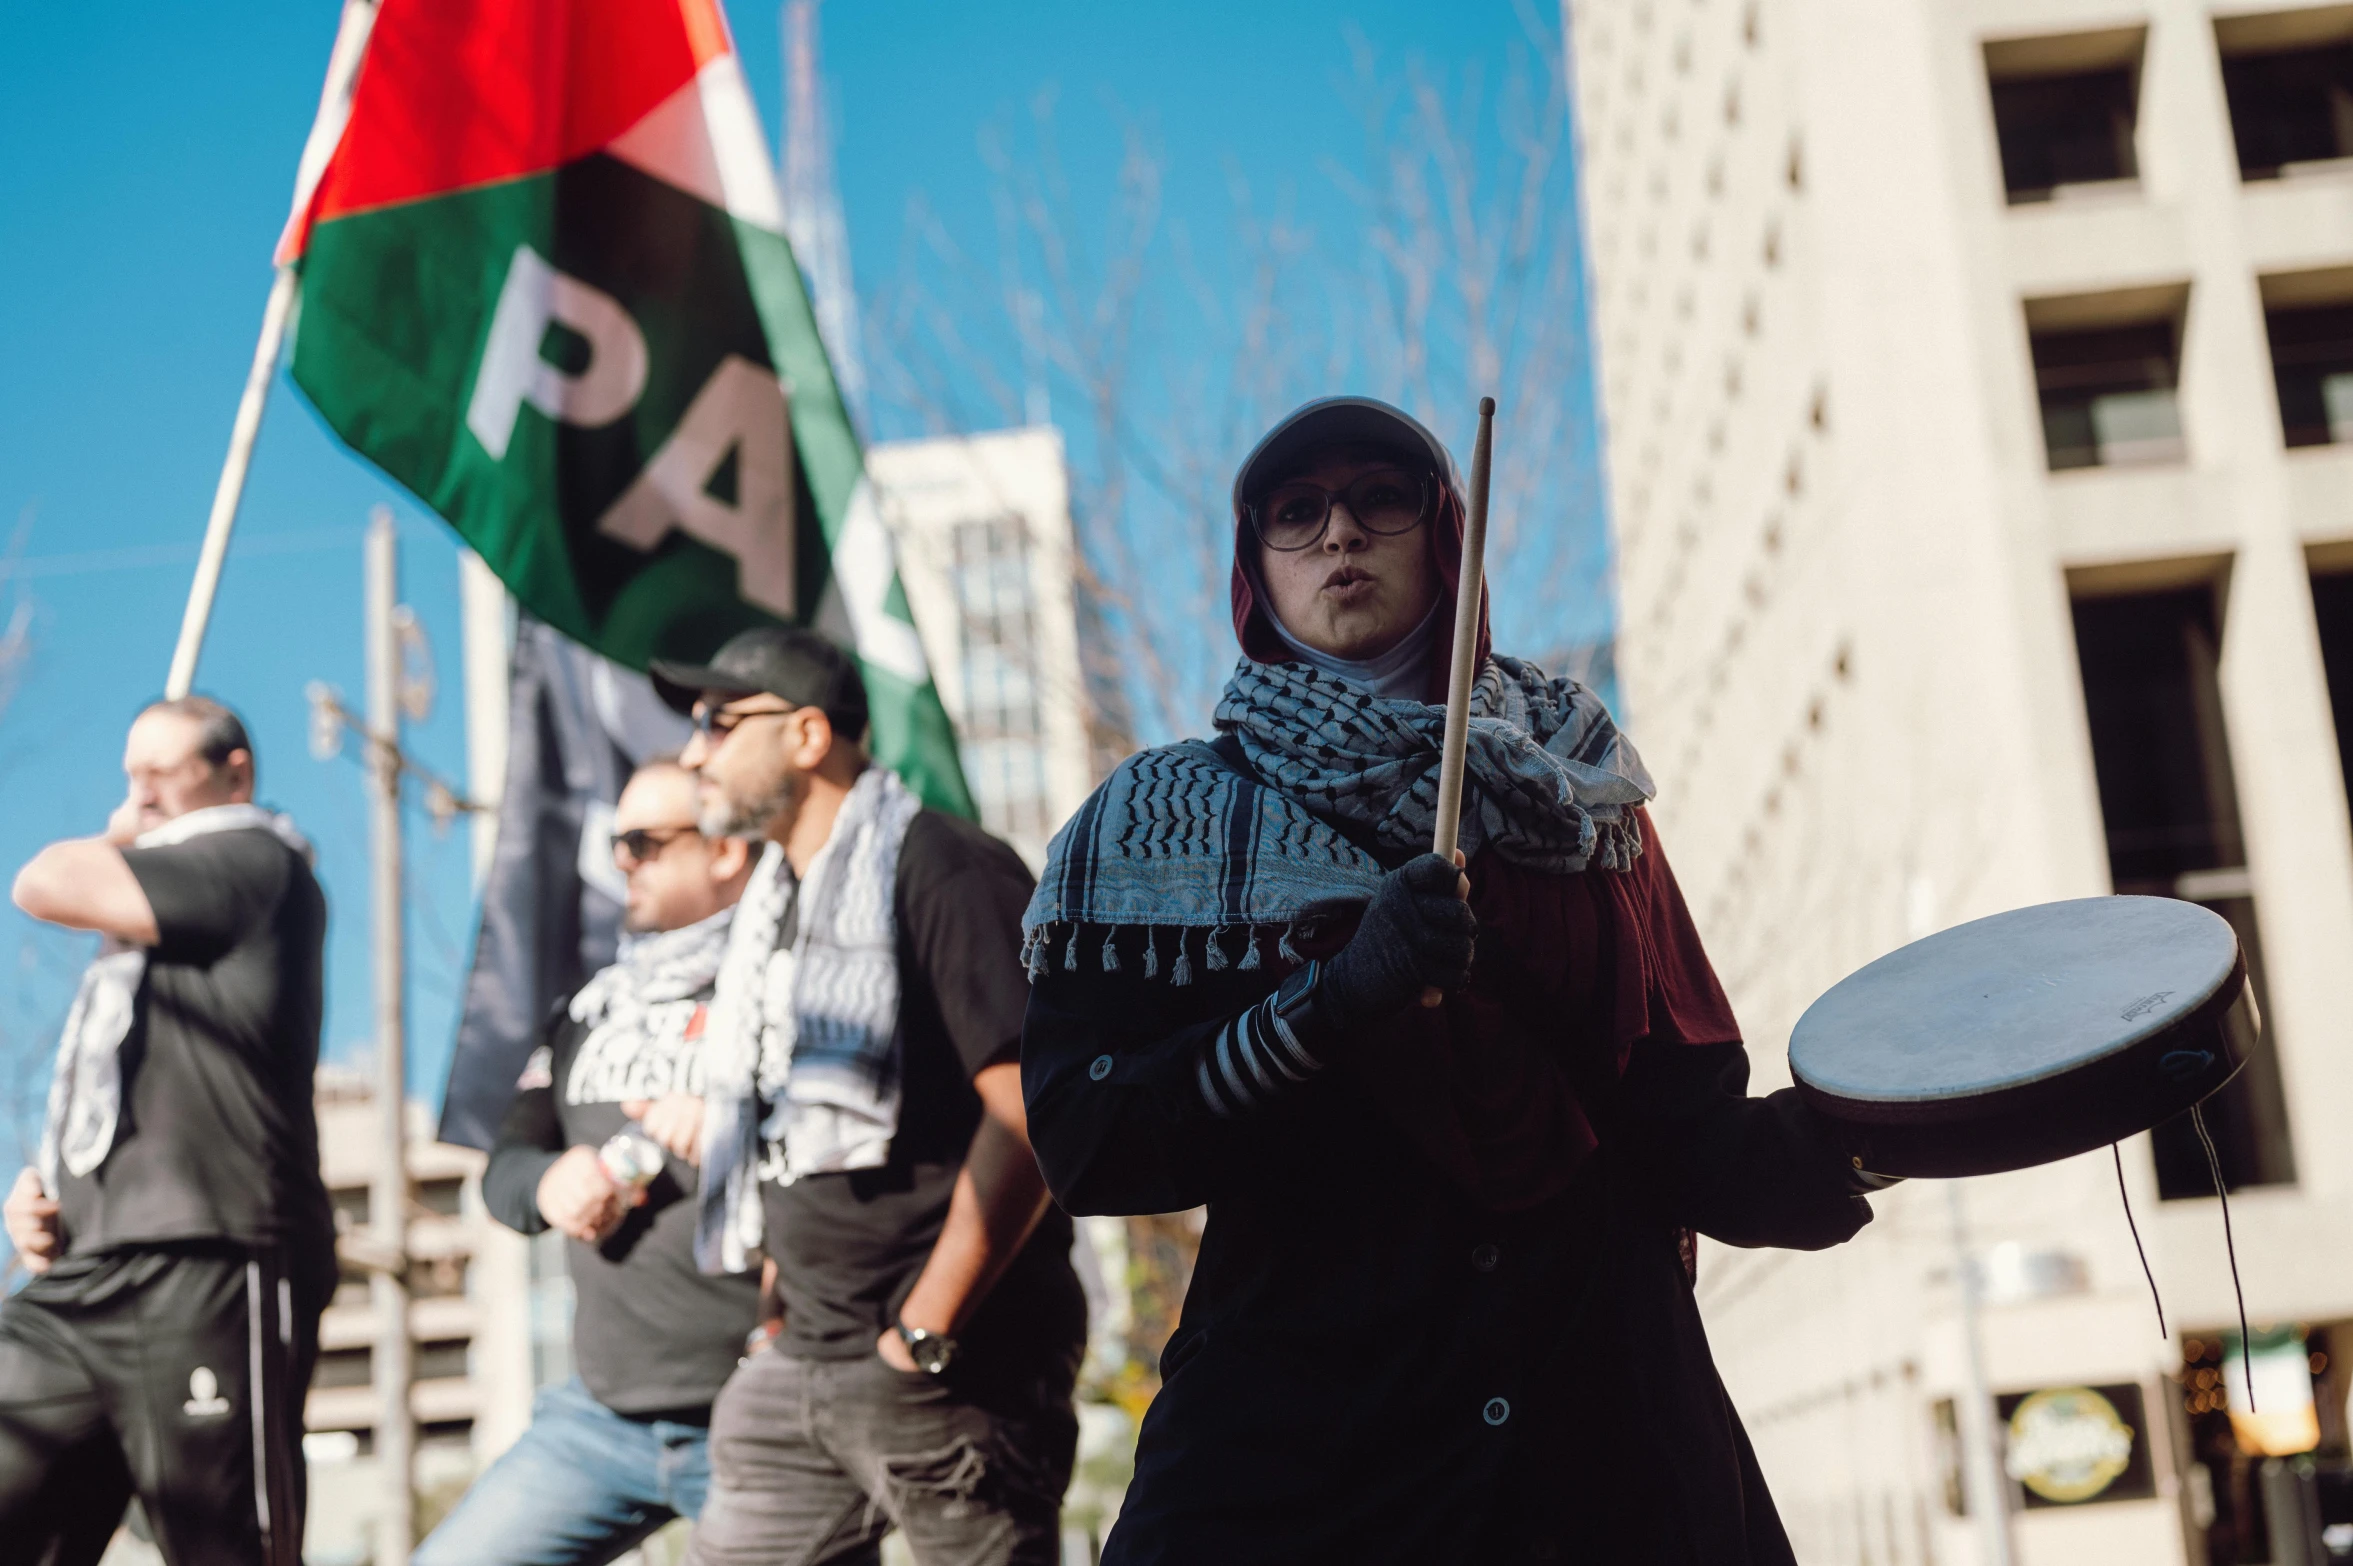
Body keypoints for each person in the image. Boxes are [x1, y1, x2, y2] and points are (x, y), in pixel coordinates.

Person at [1019, 396, 1891, 1566]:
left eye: (1379, 499)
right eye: (1295, 512)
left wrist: (1908, 1121)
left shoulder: (1591, 798)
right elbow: (1089, 1144)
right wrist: (1328, 1004)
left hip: (1600, 1433)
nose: (1339, 535)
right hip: (1305, 1449)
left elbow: (1681, 1120)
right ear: (1251, 567)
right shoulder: (1154, 826)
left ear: (1444, 536)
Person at [652, 627, 1086, 1566]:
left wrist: (924, 1334)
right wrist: (777, 1317)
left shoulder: (942, 866)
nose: (695, 754)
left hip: (953, 1374)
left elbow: (1034, 1109)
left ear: (808, 737)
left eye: (720, 723)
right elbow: (785, 1130)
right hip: (802, 1362)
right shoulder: (773, 910)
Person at [0, 696, 331, 1566]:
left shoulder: (254, 858)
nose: (139, 796)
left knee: (225, 1550)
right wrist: (60, 1192)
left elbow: (42, 882)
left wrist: (115, 837)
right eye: (128, 776)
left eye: (159, 774)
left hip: (211, 1261)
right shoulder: (143, 941)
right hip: (85, 1278)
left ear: (235, 775)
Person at [416, 758, 763, 1566]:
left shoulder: (795, 989)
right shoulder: (587, 1010)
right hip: (600, 1418)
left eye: (644, 842)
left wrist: (739, 1128)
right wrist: (548, 1181)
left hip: (759, 1411)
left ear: (724, 852)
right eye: (616, 844)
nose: (622, 864)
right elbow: (506, 1167)